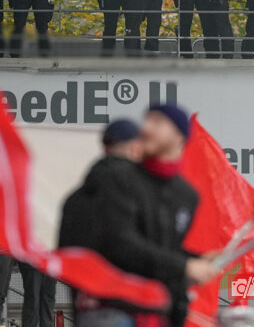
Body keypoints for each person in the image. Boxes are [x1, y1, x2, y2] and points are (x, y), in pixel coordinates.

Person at [72, 104, 217, 327]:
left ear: (179, 136)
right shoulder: (118, 178)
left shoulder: (186, 196)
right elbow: (119, 242)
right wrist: (185, 266)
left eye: (157, 122)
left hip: (155, 311)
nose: (146, 128)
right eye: (146, 121)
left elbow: (160, 248)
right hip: (111, 308)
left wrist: (195, 260)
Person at [58, 119, 143, 261]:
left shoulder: (74, 198)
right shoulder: (138, 193)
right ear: (135, 148)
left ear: (105, 148)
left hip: (80, 273)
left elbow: (65, 254)